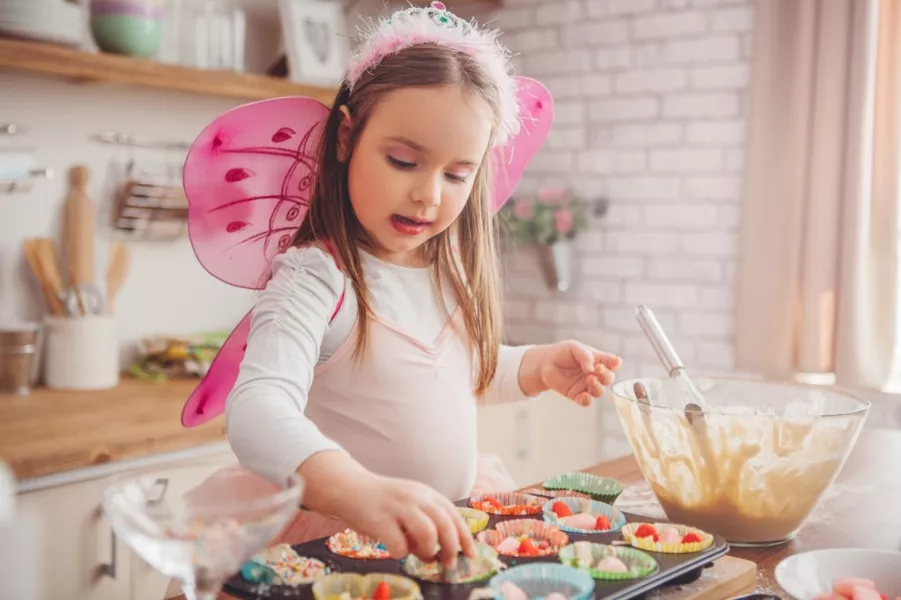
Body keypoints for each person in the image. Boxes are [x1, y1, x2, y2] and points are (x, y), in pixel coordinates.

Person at [195, 1, 622, 567]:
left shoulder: (446, 272)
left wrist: (535, 367)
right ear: (346, 138)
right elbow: (258, 406)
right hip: (339, 542)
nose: (429, 194)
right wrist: (355, 489)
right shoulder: (316, 277)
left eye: (456, 174)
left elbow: (448, 372)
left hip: (443, 530)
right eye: (403, 160)